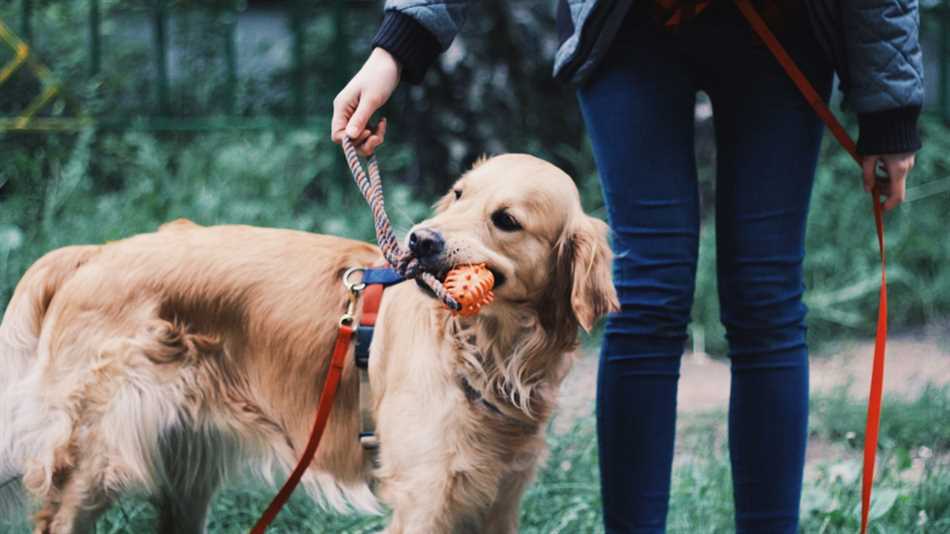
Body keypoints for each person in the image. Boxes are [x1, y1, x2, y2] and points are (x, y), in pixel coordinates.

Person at [330, 1, 923, 532]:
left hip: (787, 24)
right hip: (627, 23)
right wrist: (396, 45)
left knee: (766, 299)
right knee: (644, 298)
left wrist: (890, 101)